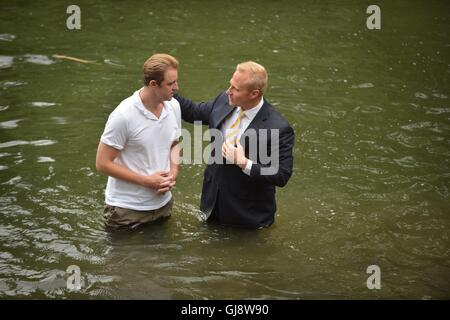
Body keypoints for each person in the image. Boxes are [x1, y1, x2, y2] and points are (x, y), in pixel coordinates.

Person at [175, 61, 295, 229]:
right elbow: (194, 111)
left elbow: (281, 175)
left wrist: (244, 163)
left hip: (248, 217)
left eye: (236, 89)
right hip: (211, 205)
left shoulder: (279, 127)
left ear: (254, 93)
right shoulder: (223, 101)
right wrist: (166, 90)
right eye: (230, 84)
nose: (228, 92)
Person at [96, 53, 182, 229]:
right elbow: (102, 163)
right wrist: (147, 181)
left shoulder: (174, 106)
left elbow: (175, 143)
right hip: (126, 211)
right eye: (171, 83)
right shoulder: (123, 116)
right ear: (153, 84)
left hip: (163, 206)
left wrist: (173, 172)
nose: (177, 87)